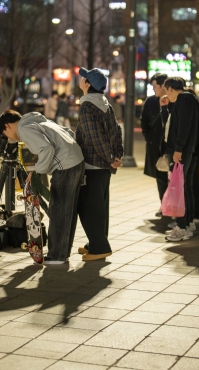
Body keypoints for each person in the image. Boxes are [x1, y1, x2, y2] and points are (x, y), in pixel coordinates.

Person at [0, 110, 85, 264]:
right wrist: (37, 170)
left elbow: (46, 149)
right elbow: (68, 133)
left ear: (7, 126)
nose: (10, 138)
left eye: (6, 134)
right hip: (77, 161)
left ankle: (56, 255)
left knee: (58, 209)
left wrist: (38, 172)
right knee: (68, 210)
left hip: (65, 166)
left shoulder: (24, 129)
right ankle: (62, 253)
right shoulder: (39, 120)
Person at [75, 68, 123, 261]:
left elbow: (95, 138)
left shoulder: (87, 106)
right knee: (100, 206)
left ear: (87, 85)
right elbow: (116, 131)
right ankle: (95, 242)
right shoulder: (106, 105)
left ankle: (100, 247)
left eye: (83, 78)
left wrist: (111, 158)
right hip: (103, 166)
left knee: (88, 207)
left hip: (92, 165)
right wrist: (116, 155)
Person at [160, 76, 199, 241]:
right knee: (186, 187)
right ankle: (188, 222)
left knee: (180, 187)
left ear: (170, 89)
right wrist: (166, 107)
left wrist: (178, 149)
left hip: (182, 151)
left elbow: (183, 127)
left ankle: (182, 226)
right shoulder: (190, 100)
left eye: (166, 91)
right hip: (189, 150)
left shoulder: (184, 100)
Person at [141, 73, 169, 216]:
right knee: (160, 176)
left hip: (169, 146)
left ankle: (172, 205)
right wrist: (148, 137)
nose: (153, 89)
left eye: (154, 86)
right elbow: (144, 121)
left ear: (163, 85)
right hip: (154, 145)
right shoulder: (150, 102)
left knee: (171, 177)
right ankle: (164, 205)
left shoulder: (173, 100)